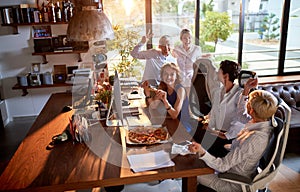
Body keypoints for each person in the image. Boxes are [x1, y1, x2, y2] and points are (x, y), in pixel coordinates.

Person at [188, 89, 278, 192]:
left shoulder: (255, 139)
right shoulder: (262, 122)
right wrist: (246, 91)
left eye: (247, 102)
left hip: (233, 183)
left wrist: (201, 150)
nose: (246, 103)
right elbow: (240, 114)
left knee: (190, 173)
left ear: (251, 111)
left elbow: (223, 166)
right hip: (231, 171)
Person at [194, 59, 258, 157]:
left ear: (226, 75)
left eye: (219, 70)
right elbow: (214, 112)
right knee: (194, 133)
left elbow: (239, 123)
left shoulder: (240, 94)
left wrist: (213, 131)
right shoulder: (219, 91)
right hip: (216, 132)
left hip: (228, 137)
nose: (216, 73)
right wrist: (206, 120)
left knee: (202, 147)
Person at [142, 62, 192, 133]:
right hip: (169, 122)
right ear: (162, 76)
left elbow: (175, 115)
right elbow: (153, 106)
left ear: (176, 76)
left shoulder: (180, 90)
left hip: (182, 125)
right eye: (166, 74)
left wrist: (165, 101)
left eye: (172, 74)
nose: (168, 77)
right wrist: (147, 93)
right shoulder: (162, 87)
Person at [173, 28, 210, 96]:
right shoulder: (177, 49)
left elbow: (199, 60)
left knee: (189, 100)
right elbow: (171, 57)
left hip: (191, 78)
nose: (187, 40)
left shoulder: (196, 49)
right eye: (185, 38)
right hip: (179, 79)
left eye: (189, 38)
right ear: (181, 39)